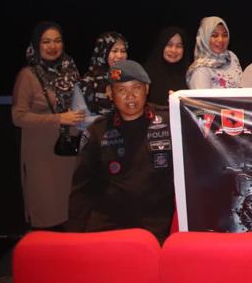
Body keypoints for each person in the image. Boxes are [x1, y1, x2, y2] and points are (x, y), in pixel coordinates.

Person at [67, 61, 175, 241]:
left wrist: (185, 105)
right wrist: (75, 238)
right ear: (110, 93)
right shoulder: (97, 131)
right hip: (110, 222)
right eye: (121, 90)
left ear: (147, 89)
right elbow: (82, 189)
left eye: (136, 88)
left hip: (155, 222)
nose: (130, 96)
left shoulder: (170, 120)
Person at [12, 21, 86, 229]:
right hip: (42, 155)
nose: (52, 46)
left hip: (70, 150)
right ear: (37, 44)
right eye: (46, 42)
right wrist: (58, 119)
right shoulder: (28, 75)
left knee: (71, 211)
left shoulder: (71, 71)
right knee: (47, 210)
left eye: (57, 41)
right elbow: (18, 116)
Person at [186, 16, 243, 89]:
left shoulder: (231, 56)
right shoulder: (200, 69)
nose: (220, 40)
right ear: (204, 38)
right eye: (214, 35)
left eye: (225, 35)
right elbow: (202, 96)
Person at [81, 31, 129, 117]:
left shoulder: (128, 77)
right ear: (103, 52)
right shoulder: (89, 80)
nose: (119, 56)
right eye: (114, 51)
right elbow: (82, 117)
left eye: (123, 51)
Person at [143, 26, 190, 104]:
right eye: (169, 45)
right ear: (161, 46)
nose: (173, 50)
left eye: (179, 46)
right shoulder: (146, 73)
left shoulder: (190, 72)